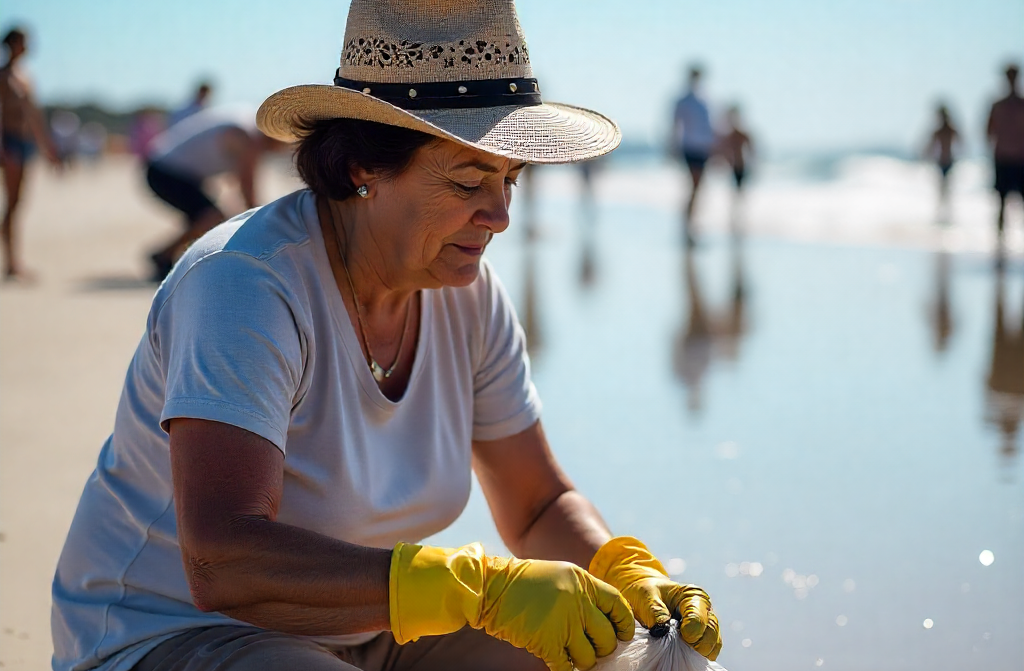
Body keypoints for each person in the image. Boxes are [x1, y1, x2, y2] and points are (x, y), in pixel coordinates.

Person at [51, 3, 723, 671]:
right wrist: (477, 590)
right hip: (171, 635)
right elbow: (222, 562)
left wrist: (625, 571)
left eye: (511, 179)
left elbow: (538, 501)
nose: (500, 216)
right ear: (362, 168)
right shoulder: (245, 285)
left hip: (365, 627)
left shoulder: (470, 297)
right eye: (468, 180)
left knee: (624, 659)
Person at [143, 105, 274, 280]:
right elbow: (247, 189)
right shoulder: (248, 138)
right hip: (165, 170)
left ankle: (168, 257)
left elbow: (238, 184)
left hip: (169, 167)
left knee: (208, 218)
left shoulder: (246, 122)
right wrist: (260, 230)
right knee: (211, 217)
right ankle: (163, 256)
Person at [0, 26, 58, 280]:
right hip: (9, 142)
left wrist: (47, 147)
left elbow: (34, 117)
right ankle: (12, 262)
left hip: (24, 143)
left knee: (16, 204)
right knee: (11, 204)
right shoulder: (3, 76)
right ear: (12, 44)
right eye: (23, 41)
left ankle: (13, 260)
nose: (27, 46)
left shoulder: (25, 76)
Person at [672, 65, 715, 245]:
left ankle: (690, 225)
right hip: (690, 147)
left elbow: (708, 127)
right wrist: (674, 147)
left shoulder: (704, 99)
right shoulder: (684, 100)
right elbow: (675, 124)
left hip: (703, 148)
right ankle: (687, 227)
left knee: (697, 189)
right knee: (694, 186)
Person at [986, 63, 1024, 248]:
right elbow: (988, 131)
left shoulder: (1020, 104)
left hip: (1019, 159)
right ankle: (1000, 242)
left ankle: (1004, 241)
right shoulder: (997, 105)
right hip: (1003, 158)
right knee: (1001, 202)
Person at [925, 104, 960, 206]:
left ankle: (945, 209)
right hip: (944, 160)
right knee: (944, 186)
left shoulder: (947, 130)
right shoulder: (945, 130)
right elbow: (930, 146)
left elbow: (930, 146)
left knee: (945, 186)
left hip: (947, 160)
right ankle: (944, 209)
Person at [718, 105, 754, 194]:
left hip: (741, 165)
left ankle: (738, 205)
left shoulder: (741, 135)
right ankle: (737, 205)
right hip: (733, 165)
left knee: (739, 189)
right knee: (736, 189)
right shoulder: (730, 136)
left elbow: (751, 149)